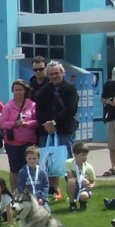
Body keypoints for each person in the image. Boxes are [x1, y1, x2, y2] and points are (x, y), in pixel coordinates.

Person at [34, 62, 79, 200]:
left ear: (62, 73)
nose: (54, 76)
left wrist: (55, 122)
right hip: (46, 131)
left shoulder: (70, 89)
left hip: (65, 130)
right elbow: (39, 110)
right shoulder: (44, 90)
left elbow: (71, 109)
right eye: (51, 74)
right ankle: (48, 192)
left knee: (68, 162)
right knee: (46, 163)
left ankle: (74, 192)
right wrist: (47, 123)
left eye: (56, 73)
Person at [0, 79, 38, 180]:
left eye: (20, 90)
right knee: (14, 170)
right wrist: (15, 124)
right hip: (12, 143)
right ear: (13, 91)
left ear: (25, 90)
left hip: (28, 142)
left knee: (29, 168)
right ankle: (15, 193)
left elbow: (37, 121)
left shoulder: (32, 105)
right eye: (16, 90)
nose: (18, 92)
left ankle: (29, 191)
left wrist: (26, 124)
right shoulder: (8, 106)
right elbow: (3, 123)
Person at [99, 65, 115, 176]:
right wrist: (109, 102)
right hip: (111, 117)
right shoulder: (108, 84)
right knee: (112, 145)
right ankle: (113, 167)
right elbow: (102, 99)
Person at [64, 141, 95, 211]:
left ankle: (83, 202)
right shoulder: (69, 163)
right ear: (75, 155)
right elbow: (70, 177)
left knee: (84, 196)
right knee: (71, 181)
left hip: (84, 188)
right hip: (74, 187)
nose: (85, 157)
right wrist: (83, 180)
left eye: (86, 155)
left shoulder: (89, 167)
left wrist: (91, 186)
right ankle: (72, 203)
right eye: (83, 155)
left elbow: (92, 182)